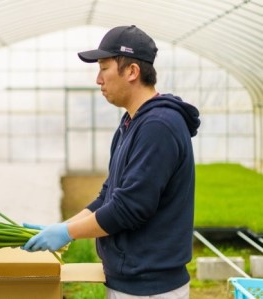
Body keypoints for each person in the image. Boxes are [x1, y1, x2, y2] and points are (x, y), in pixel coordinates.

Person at [22, 25, 201, 298]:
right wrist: (60, 227)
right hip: (127, 280)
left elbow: (129, 208)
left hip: (150, 288)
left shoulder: (159, 126)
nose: (98, 79)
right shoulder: (132, 122)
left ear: (131, 71)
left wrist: (68, 233)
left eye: (104, 68)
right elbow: (110, 195)